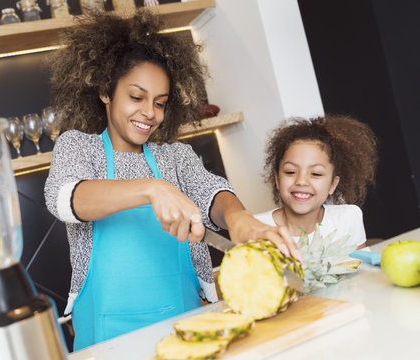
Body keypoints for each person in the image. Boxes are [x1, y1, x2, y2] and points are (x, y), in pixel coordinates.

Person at [44, 10, 300, 350]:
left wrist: (240, 220)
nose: (150, 113)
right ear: (106, 91)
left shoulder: (175, 157)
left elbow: (213, 193)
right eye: (136, 97)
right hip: (109, 338)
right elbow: (66, 198)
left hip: (189, 326)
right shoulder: (79, 147)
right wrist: (152, 189)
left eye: (160, 103)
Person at [254, 115, 378, 248]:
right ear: (277, 180)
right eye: (290, 172)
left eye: (315, 173)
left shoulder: (348, 218)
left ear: (332, 185)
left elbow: (363, 266)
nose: (301, 181)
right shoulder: (255, 229)